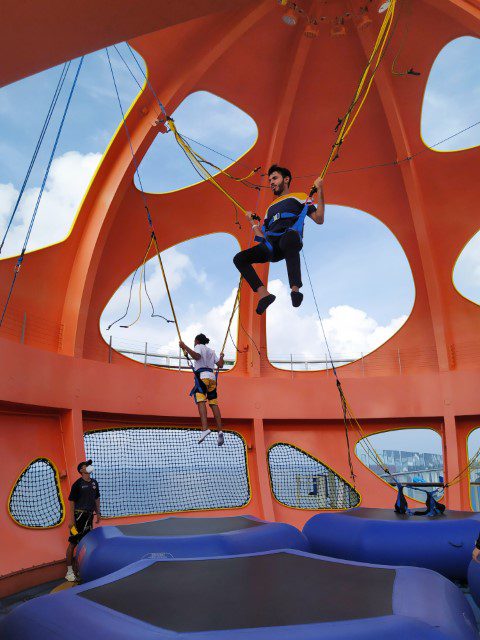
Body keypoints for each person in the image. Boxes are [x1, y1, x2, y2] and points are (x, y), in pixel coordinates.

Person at [233, 165, 325, 315]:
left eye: (275, 178)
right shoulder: (270, 208)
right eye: (269, 180)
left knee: (289, 237)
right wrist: (252, 223)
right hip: (271, 247)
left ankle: (295, 290)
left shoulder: (300, 197)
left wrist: (320, 189)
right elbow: (262, 236)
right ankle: (264, 295)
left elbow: (319, 218)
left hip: (289, 239)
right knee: (239, 258)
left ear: (286, 179)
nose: (271, 183)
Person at [179, 333, 225, 446]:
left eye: (194, 342)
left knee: (201, 401)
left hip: (202, 378)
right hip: (212, 378)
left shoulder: (198, 346)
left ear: (197, 341)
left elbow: (197, 356)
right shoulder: (211, 351)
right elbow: (220, 364)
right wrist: (222, 357)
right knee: (214, 404)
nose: (194, 344)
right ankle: (220, 431)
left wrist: (185, 347)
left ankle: (205, 428)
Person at [65, 460, 100, 582]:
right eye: (87, 465)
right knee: (73, 543)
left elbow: (96, 498)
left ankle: (79, 571)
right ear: (81, 470)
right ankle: (69, 572)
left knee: (85, 543)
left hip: (89, 517)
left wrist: (98, 513)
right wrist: (72, 520)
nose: (89, 466)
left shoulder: (94, 483)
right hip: (78, 517)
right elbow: (71, 501)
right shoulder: (77, 484)